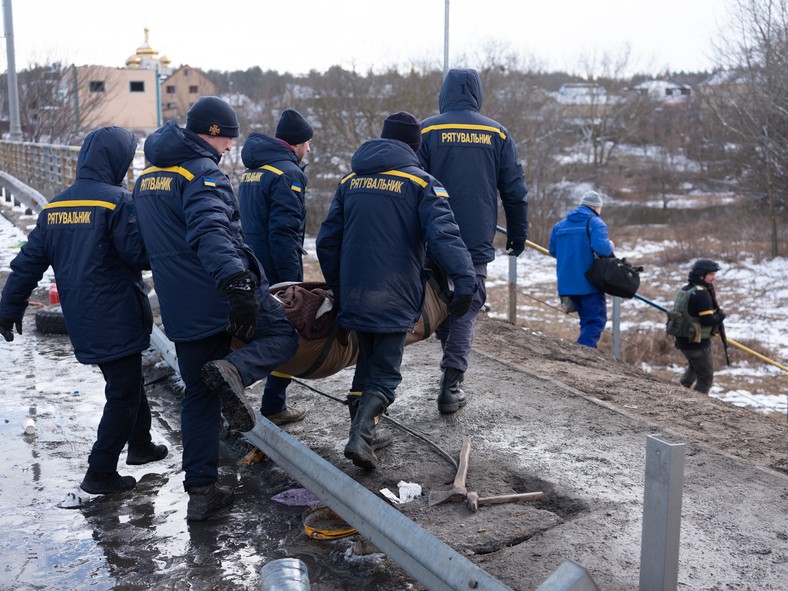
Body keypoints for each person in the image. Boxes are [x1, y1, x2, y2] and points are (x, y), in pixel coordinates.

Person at [132, 96, 300, 521]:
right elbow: (212, 231)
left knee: (198, 398)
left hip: (178, 304)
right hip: (216, 294)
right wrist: (237, 283)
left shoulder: (147, 176)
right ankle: (234, 372)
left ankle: (201, 494)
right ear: (212, 132)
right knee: (283, 336)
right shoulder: (201, 173)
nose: (229, 148)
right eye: (227, 138)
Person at [0, 126, 167, 495]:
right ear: (117, 161)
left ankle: (140, 444)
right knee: (122, 393)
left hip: (82, 318)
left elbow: (27, 263)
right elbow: (138, 255)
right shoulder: (117, 202)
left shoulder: (56, 206)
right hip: (118, 314)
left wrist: (9, 306)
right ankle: (100, 471)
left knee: (127, 379)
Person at [316, 111, 476, 470]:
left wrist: (340, 286)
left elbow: (327, 241)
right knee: (386, 372)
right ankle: (360, 437)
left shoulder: (350, 181)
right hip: (395, 291)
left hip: (355, 291)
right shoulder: (422, 184)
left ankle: (365, 429)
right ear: (414, 146)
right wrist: (465, 280)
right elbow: (444, 237)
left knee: (365, 363)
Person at [418, 68, 528, 413]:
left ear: (444, 93)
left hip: (432, 235)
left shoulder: (427, 129)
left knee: (440, 300)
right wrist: (518, 233)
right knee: (467, 304)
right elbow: (514, 190)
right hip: (475, 237)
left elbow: (411, 182)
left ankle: (450, 371)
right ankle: (451, 384)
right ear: (477, 94)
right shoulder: (497, 133)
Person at [238, 108, 313, 426]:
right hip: (276, 269)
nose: (309, 149)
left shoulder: (253, 171)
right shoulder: (288, 173)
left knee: (262, 333)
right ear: (296, 143)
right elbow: (284, 232)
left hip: (252, 265)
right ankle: (273, 404)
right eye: (307, 143)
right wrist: (292, 282)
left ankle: (263, 399)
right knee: (287, 334)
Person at [548, 190, 614, 348]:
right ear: (597, 207)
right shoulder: (595, 223)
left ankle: (585, 353)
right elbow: (603, 250)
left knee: (586, 320)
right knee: (596, 321)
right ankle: (581, 353)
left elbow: (553, 251)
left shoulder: (560, 225)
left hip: (566, 283)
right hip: (589, 283)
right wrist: (610, 245)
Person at [672, 259, 726, 394]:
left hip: (683, 340)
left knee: (694, 369)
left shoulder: (686, 289)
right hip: (697, 343)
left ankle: (677, 395)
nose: (714, 278)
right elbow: (707, 320)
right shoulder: (701, 294)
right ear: (701, 275)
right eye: (711, 274)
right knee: (705, 378)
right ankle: (695, 406)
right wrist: (720, 316)